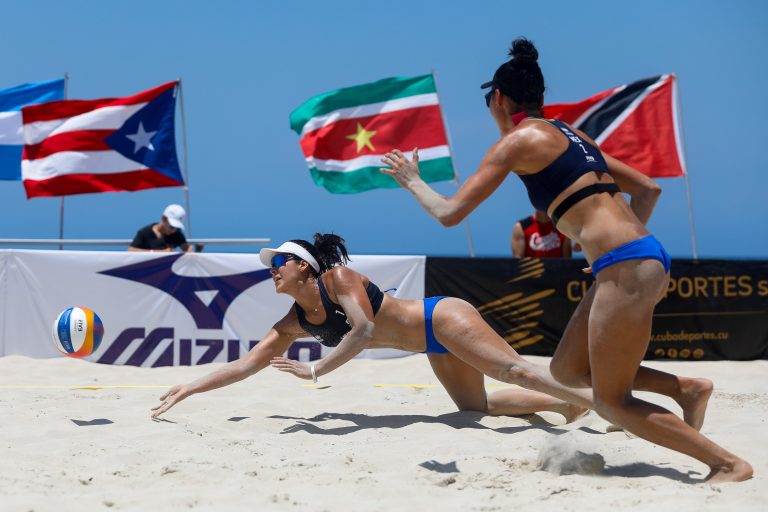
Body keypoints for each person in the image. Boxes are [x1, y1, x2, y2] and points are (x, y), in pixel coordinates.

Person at [379, 38, 751, 482]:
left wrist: (412, 180)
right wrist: (610, 252)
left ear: (498, 99)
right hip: (640, 256)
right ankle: (685, 389)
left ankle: (727, 464)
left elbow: (449, 214)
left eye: (489, 103)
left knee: (612, 402)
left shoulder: (518, 141)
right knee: (568, 371)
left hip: (627, 264)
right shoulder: (572, 135)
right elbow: (648, 188)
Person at [152, 233, 594, 424]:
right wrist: (190, 388)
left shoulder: (338, 279)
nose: (273, 270)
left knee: (511, 370)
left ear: (305, 268)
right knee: (475, 410)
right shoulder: (293, 321)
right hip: (430, 347)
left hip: (441, 317)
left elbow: (362, 331)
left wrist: (315, 370)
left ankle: (606, 406)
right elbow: (247, 364)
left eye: (279, 263)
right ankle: (569, 406)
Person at [128, 204, 193, 253]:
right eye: (172, 226)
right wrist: (159, 252)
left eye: (178, 228)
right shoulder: (145, 232)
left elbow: (187, 248)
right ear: (163, 218)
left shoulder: (176, 233)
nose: (174, 230)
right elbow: (131, 250)